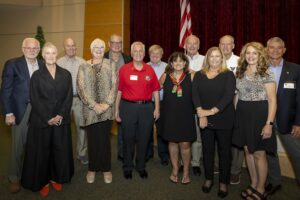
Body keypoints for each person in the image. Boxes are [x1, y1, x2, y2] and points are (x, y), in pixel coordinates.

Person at [21, 42, 74, 197]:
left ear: (56, 55)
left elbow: (68, 97)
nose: (51, 56)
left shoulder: (65, 74)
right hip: (42, 121)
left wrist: (60, 115)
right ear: (43, 56)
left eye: (53, 53)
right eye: (47, 53)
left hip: (60, 120)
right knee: (42, 152)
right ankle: (42, 181)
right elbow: (35, 99)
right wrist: (47, 117)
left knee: (59, 149)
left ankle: (55, 177)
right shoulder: (37, 75)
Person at [232, 42, 277, 200]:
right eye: (248, 53)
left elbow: (272, 100)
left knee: (258, 153)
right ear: (244, 55)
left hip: (260, 115)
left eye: (254, 53)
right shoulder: (240, 71)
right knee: (247, 151)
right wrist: (235, 118)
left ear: (260, 55)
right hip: (243, 115)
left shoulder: (266, 72)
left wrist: (269, 124)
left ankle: (261, 188)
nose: (250, 56)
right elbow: (237, 95)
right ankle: (253, 183)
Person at [1, 37, 43, 193]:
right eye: (29, 48)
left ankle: (33, 175)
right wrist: (8, 112)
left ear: (39, 50)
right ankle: (14, 177)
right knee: (18, 146)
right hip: (20, 111)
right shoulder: (12, 64)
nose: (32, 50)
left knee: (37, 144)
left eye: (35, 48)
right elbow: (6, 90)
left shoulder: (43, 64)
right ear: (23, 49)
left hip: (40, 110)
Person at [192, 47, 235, 198]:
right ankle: (209, 178)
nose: (215, 59)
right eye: (212, 56)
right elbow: (195, 94)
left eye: (218, 57)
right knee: (207, 151)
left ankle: (223, 182)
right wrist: (200, 113)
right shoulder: (199, 74)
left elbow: (228, 96)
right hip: (204, 119)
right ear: (207, 58)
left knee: (224, 153)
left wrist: (209, 112)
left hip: (224, 119)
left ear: (222, 59)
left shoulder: (228, 75)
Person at [115, 41, 160, 179]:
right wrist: (116, 109)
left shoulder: (149, 69)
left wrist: (157, 108)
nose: (138, 53)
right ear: (131, 53)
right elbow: (119, 90)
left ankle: (141, 166)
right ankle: (127, 166)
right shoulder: (124, 69)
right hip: (128, 107)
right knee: (128, 138)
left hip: (146, 108)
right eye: (135, 51)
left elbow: (156, 90)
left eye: (141, 51)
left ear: (144, 53)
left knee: (144, 138)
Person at [77, 38, 117, 184]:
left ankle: (106, 168)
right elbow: (81, 88)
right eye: (95, 47)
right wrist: (94, 105)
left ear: (104, 49)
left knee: (105, 140)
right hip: (90, 110)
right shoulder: (83, 66)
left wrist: (106, 104)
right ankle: (92, 169)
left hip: (107, 110)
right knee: (92, 140)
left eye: (101, 47)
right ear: (91, 49)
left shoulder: (111, 64)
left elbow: (115, 86)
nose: (99, 50)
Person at [265, 37, 300, 196]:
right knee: (270, 153)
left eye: (279, 48)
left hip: (289, 121)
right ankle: (275, 181)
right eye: (271, 47)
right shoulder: (260, 68)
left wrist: (298, 123)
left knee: (297, 155)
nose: (275, 51)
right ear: (267, 49)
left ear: (284, 50)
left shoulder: (295, 69)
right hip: (266, 120)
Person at [160, 52, 196, 184]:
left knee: (185, 144)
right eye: (175, 61)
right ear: (171, 63)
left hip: (186, 115)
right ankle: (175, 169)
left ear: (185, 63)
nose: (178, 63)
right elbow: (155, 91)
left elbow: (198, 94)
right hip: (169, 115)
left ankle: (186, 172)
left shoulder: (192, 75)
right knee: (172, 142)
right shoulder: (165, 76)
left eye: (181, 61)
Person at [56, 37, 88, 165]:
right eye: (68, 46)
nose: (71, 48)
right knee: (62, 128)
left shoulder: (82, 62)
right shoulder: (58, 63)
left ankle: (82, 153)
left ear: (76, 47)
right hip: (64, 101)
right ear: (64, 47)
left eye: (73, 45)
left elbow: (87, 82)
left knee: (82, 128)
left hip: (79, 100)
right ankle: (63, 154)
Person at [219, 35, 243, 185]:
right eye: (223, 44)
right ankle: (219, 165)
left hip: (236, 103)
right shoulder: (214, 59)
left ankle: (235, 171)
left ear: (233, 45)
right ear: (219, 45)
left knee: (236, 138)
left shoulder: (240, 61)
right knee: (219, 135)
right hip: (217, 104)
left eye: (229, 44)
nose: (226, 47)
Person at [104, 34, 132, 162]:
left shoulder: (128, 59)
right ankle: (104, 155)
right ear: (109, 44)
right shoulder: (101, 57)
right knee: (104, 128)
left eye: (119, 42)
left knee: (123, 127)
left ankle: (122, 153)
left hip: (123, 98)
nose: (117, 45)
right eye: (114, 43)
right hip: (104, 100)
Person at [185, 34, 205, 176]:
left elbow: (211, 76)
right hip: (182, 103)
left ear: (198, 45)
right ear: (185, 45)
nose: (191, 46)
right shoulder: (179, 58)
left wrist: (195, 74)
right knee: (182, 134)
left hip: (200, 103)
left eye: (194, 44)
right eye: (189, 43)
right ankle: (181, 162)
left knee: (198, 135)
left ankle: (196, 163)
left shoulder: (205, 59)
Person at [147, 44, 169, 165]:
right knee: (147, 129)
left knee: (162, 130)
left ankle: (164, 155)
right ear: (149, 55)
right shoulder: (144, 67)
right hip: (147, 103)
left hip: (162, 102)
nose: (155, 56)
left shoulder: (167, 67)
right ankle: (148, 153)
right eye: (152, 54)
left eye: (157, 54)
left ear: (162, 54)